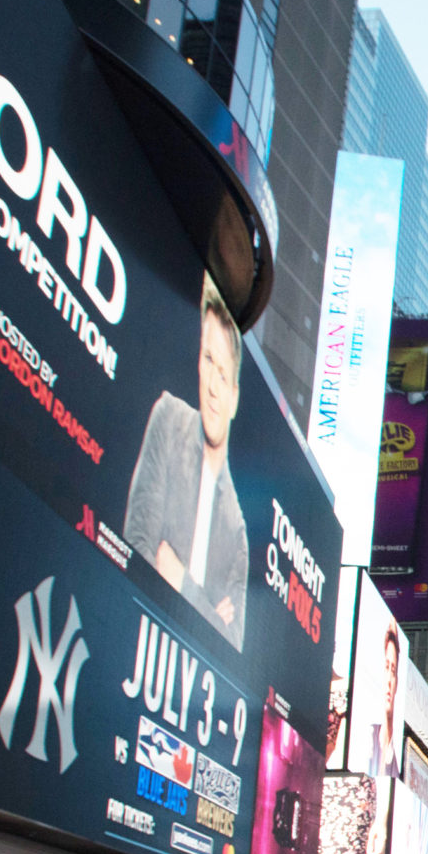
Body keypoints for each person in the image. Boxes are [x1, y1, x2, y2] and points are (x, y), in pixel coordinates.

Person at [124, 277, 249, 648]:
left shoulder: (237, 527)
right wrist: (209, 611)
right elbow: (136, 547)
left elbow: (231, 645)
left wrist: (181, 583)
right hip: (133, 637)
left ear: (235, 397)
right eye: (208, 360)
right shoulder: (168, 418)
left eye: (224, 375)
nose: (212, 385)